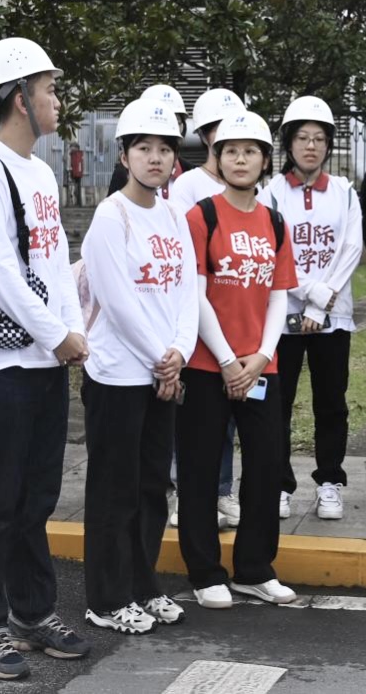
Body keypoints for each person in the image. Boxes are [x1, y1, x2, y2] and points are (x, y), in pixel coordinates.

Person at [0, 37, 90, 680]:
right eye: (49, 89)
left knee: (37, 496)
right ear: (19, 98)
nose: (56, 101)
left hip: (44, 361)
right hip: (1, 364)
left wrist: (73, 330)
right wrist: (54, 333)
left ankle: (32, 614)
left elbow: (55, 263)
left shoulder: (39, 173)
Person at [80, 99, 198, 635]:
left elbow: (187, 291)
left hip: (162, 372)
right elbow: (118, 299)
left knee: (152, 486)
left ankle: (142, 584)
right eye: (144, 148)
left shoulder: (173, 215)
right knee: (115, 487)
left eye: (165, 149)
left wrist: (180, 351)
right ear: (124, 155)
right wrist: (161, 359)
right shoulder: (112, 216)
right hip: (118, 375)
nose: (155, 158)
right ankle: (106, 599)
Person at [177, 111, 298, 609]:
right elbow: (196, 294)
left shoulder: (274, 221)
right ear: (218, 158)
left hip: (261, 368)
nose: (240, 159)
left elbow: (279, 295)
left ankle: (254, 568)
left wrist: (262, 356)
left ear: (265, 160)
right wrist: (228, 361)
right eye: (231, 151)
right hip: (209, 367)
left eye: (250, 151)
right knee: (201, 470)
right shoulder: (200, 216)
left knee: (267, 467)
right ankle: (205, 571)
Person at [259, 96, 363, 521]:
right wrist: (310, 293)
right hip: (281, 318)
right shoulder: (270, 193)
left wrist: (323, 303)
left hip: (333, 319)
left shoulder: (344, 193)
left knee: (331, 402)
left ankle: (330, 482)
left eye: (319, 138)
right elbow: (271, 252)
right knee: (278, 405)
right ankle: (278, 484)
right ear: (289, 142)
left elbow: (351, 247)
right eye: (302, 137)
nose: (311, 146)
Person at [168, 86, 245, 530]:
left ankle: (223, 490)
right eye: (218, 130)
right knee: (195, 413)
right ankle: (186, 492)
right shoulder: (187, 186)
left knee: (229, 412)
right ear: (205, 134)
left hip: (236, 313)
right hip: (197, 313)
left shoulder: (249, 185)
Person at [108, 84, 191, 198]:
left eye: (175, 121)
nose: (155, 159)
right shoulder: (123, 174)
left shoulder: (191, 173)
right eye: (144, 148)